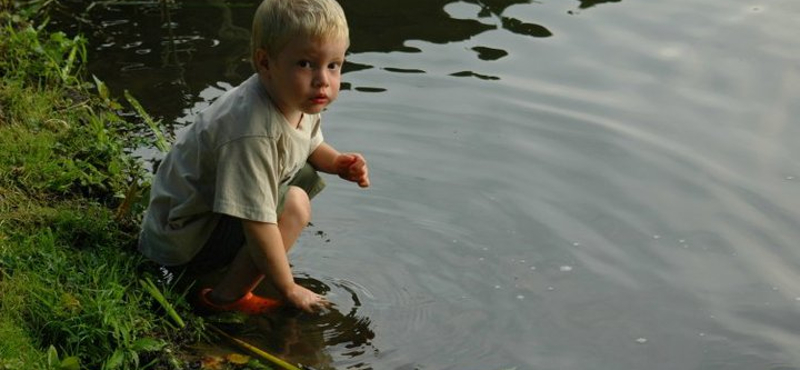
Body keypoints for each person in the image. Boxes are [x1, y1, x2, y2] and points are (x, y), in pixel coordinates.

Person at [138, 0, 369, 314]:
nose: (322, 80)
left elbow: (309, 146)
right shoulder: (251, 130)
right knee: (296, 204)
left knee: (307, 175)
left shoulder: (295, 96)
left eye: (334, 65)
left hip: (207, 213)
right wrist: (288, 288)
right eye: (305, 63)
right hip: (184, 238)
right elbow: (257, 220)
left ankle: (249, 267)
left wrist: (338, 163)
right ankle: (224, 298)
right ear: (265, 62)